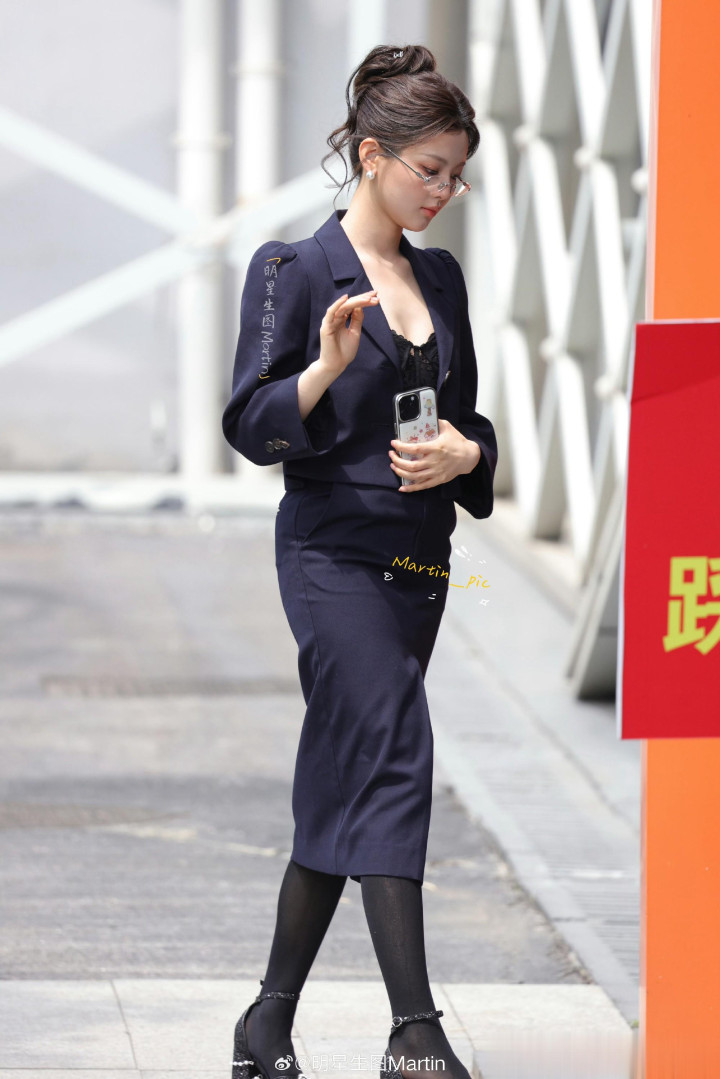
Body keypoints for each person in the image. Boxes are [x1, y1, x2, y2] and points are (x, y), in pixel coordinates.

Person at [222, 43, 497, 1079]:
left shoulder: (442, 278)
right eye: (430, 169)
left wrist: (467, 454)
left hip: (420, 564)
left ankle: (266, 1023)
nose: (443, 191)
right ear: (372, 154)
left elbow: (470, 423)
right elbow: (248, 422)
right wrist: (323, 367)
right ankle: (414, 1030)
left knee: (346, 774)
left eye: (456, 175)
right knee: (393, 752)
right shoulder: (292, 269)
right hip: (331, 555)